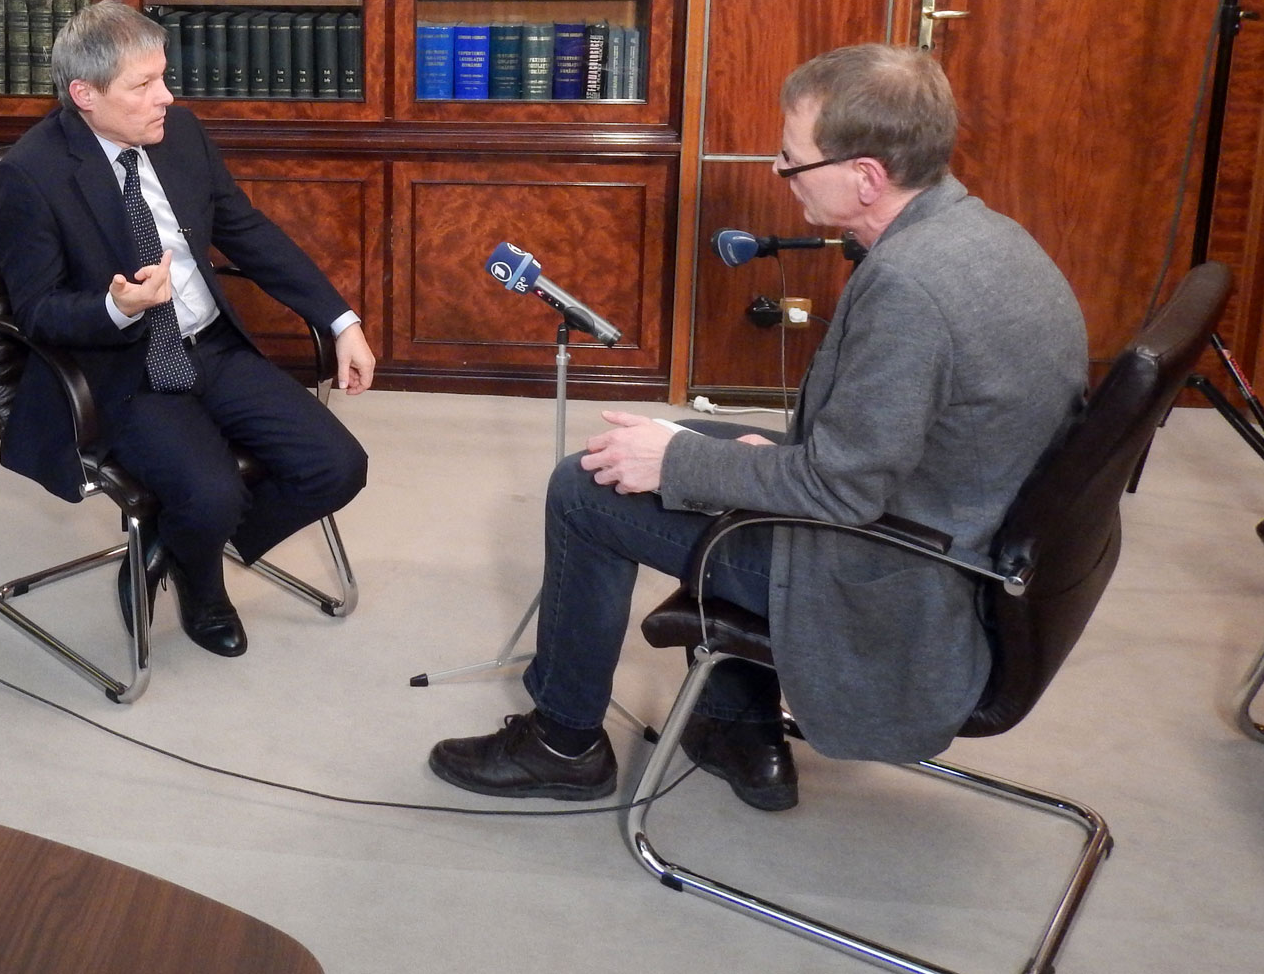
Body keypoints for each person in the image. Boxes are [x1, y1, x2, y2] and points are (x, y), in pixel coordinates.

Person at [429, 44, 1086, 807]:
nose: (780, 174)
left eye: (793, 161)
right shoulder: (989, 236)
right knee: (678, 444)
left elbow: (840, 492)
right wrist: (724, 461)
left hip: (898, 575)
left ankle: (561, 743)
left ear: (866, 176)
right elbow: (886, 448)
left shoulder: (912, 290)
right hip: (943, 520)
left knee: (586, 487)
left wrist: (687, 468)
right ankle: (734, 723)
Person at [0, 0, 373, 657]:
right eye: (144, 86)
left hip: (211, 346)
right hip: (125, 369)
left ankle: (175, 542)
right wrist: (119, 309)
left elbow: (246, 232)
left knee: (337, 466)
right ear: (84, 94)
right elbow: (35, 310)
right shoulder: (32, 173)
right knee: (211, 491)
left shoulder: (182, 135)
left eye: (163, 77)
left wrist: (340, 319)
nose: (166, 97)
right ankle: (204, 585)